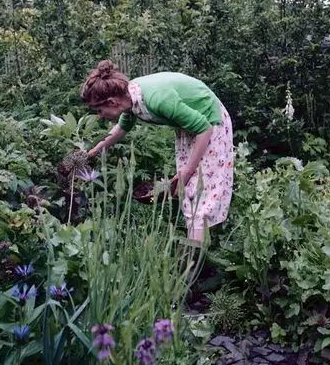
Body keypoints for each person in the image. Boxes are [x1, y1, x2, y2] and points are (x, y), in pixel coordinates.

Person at [81, 60, 233, 242]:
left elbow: (204, 128)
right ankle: (199, 248)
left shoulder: (158, 99)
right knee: (189, 193)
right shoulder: (130, 99)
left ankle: (192, 262)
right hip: (189, 128)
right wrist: (92, 152)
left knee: (200, 192)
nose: (100, 115)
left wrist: (186, 172)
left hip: (209, 123)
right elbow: (120, 129)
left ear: (112, 102)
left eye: (99, 110)